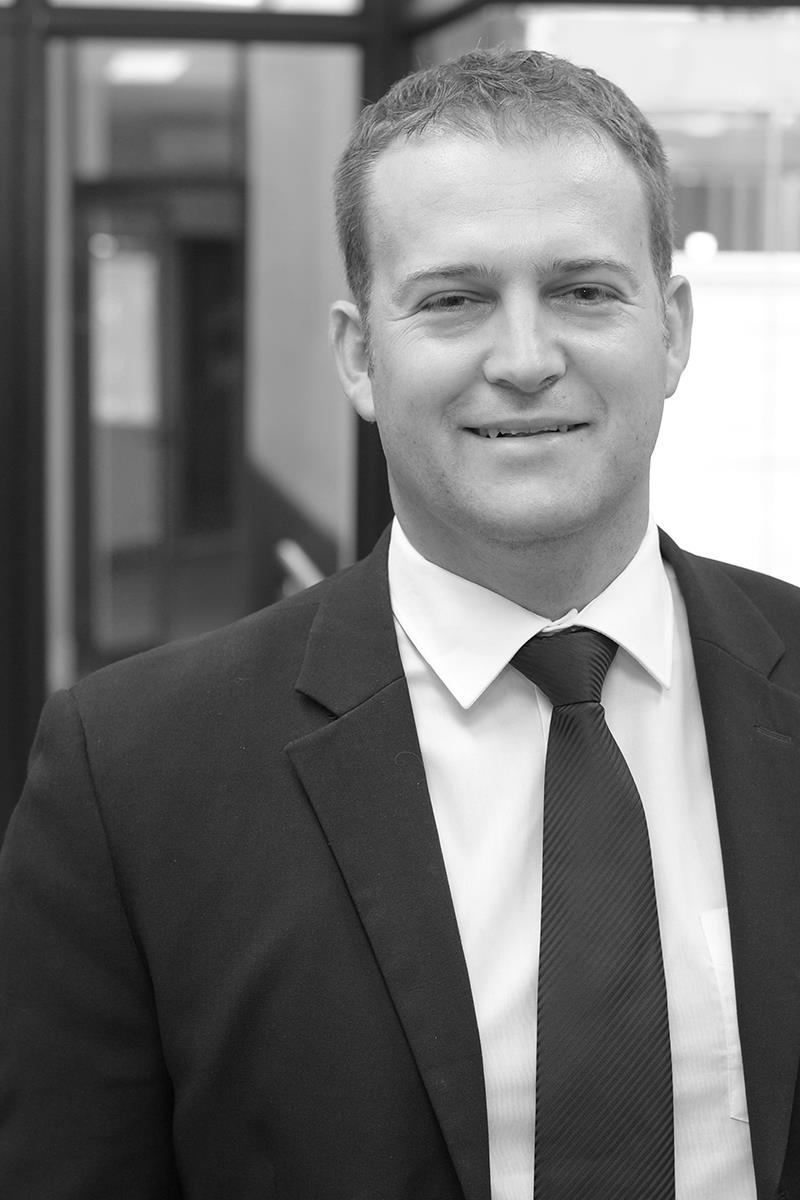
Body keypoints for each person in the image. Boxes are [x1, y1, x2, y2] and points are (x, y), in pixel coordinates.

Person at [1, 47, 799, 1200]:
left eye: (583, 291)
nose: (523, 360)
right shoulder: (130, 778)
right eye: (452, 300)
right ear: (358, 356)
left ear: (669, 329)